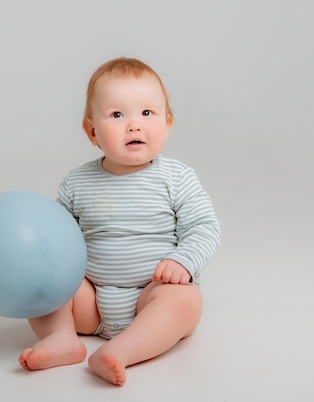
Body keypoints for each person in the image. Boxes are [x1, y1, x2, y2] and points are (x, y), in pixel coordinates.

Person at [18, 57, 221, 386]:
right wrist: (32, 250)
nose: (134, 125)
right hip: (91, 302)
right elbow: (56, 238)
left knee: (185, 300)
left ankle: (122, 351)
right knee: (42, 282)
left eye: (147, 113)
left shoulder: (177, 177)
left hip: (151, 295)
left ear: (167, 124)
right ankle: (61, 336)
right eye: (117, 114)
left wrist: (182, 261)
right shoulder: (77, 183)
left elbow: (204, 226)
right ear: (92, 131)